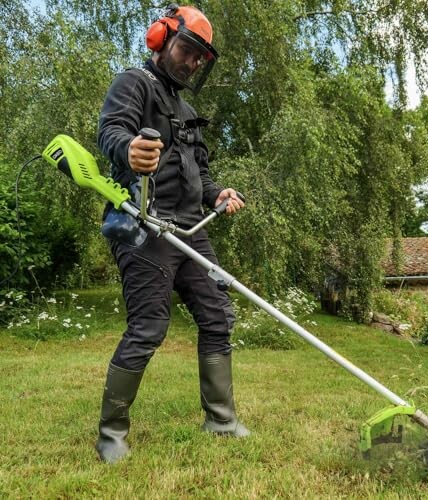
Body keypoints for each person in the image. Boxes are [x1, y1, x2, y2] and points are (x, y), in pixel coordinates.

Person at [95, 4, 250, 464]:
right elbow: (112, 132)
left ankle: (221, 420)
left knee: (218, 316)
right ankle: (112, 434)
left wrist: (218, 193)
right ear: (160, 39)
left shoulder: (187, 109)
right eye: (187, 49)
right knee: (148, 327)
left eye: (200, 56)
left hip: (192, 232)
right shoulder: (133, 84)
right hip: (145, 227)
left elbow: (198, 177)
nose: (192, 61)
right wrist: (131, 150)